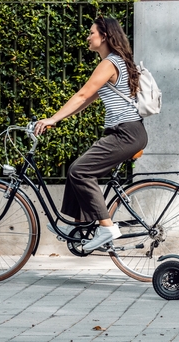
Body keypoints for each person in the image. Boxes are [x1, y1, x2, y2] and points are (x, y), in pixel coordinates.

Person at [33, 15, 147, 252]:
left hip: (126, 132)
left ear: (104, 36)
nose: (87, 37)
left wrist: (52, 118)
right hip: (128, 131)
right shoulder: (116, 62)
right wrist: (59, 119)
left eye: (91, 33)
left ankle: (106, 227)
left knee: (80, 171)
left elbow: (82, 95)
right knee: (79, 169)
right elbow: (86, 100)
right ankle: (80, 227)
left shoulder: (109, 63)